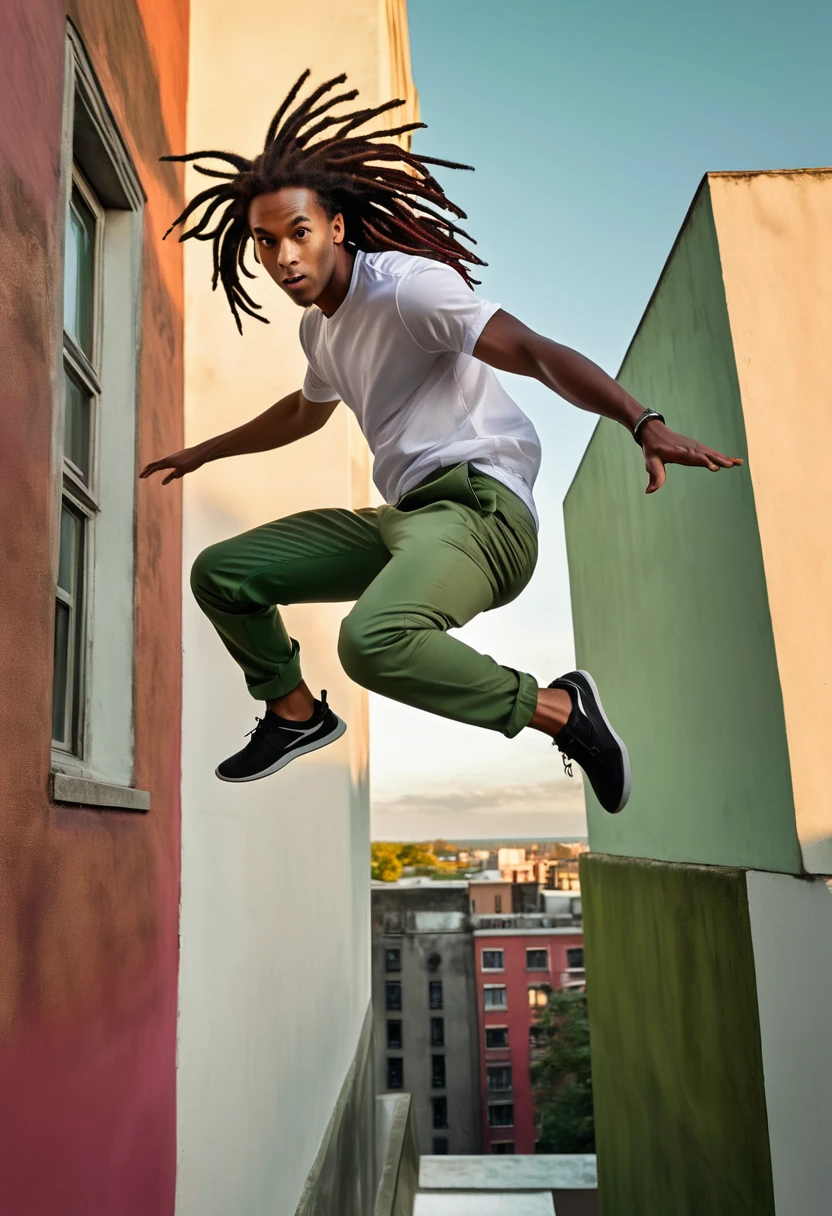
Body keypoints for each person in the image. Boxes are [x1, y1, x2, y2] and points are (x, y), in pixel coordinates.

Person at [141, 70, 742, 814]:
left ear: (334, 225)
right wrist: (206, 451)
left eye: (298, 233)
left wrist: (640, 421)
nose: (283, 257)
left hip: (483, 511)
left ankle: (560, 710)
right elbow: (304, 412)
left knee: (373, 641)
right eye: (265, 243)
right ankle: (295, 714)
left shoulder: (406, 290)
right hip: (406, 520)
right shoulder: (319, 330)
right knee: (224, 573)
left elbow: (535, 351)